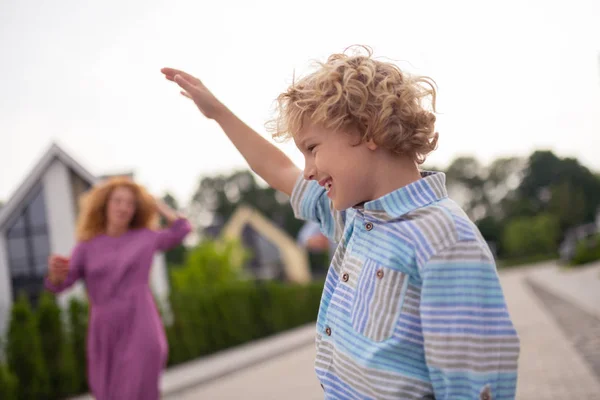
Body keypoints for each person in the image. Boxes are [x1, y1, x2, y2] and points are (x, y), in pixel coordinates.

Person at [161, 46, 520, 399]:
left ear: (367, 131)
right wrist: (219, 113)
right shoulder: (353, 217)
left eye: (312, 148)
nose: (307, 170)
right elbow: (277, 169)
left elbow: (475, 383)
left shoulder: (445, 239)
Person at [45, 176, 192, 400]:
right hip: (104, 333)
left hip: (142, 326)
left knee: (135, 390)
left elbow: (182, 230)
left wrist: (156, 205)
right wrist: (56, 277)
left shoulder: (145, 237)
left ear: (136, 209)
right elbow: (62, 284)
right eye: (118, 201)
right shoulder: (86, 246)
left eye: (131, 203)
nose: (124, 207)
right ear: (105, 205)